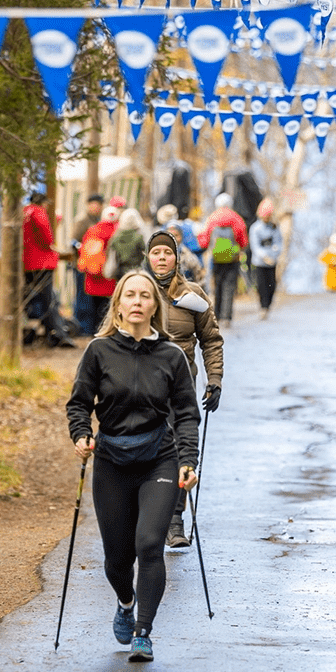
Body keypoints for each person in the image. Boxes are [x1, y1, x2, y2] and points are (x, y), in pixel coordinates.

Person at [67, 270, 200, 662]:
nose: (138, 301)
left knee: (149, 545)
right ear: (119, 305)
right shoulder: (99, 351)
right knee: (117, 558)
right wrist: (80, 434)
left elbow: (187, 414)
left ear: (154, 305)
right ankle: (126, 601)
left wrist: (188, 459)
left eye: (145, 295)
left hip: (159, 457)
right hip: (110, 460)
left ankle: (143, 631)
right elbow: (79, 403)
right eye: (130, 295)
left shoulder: (171, 356)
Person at [145, 229, 224, 549]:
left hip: (181, 388)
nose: (162, 258)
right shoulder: (136, 292)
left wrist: (215, 380)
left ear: (177, 258)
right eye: (156, 253)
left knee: (181, 452)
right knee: (145, 451)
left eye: (167, 253)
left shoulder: (193, 295)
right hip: (140, 389)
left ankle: (175, 520)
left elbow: (211, 340)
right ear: (147, 258)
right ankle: (148, 517)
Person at [22, 191, 77, 348]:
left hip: (28, 262)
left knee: (34, 298)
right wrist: (51, 246)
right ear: (43, 202)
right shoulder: (38, 212)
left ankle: (41, 331)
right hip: (42, 262)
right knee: (49, 299)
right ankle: (58, 333)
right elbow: (46, 236)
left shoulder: (24, 212)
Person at [197, 192, 248, 325]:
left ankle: (217, 315)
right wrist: (240, 248)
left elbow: (204, 239)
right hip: (233, 258)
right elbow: (242, 239)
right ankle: (227, 317)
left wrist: (204, 246)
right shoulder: (236, 218)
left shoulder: (212, 218)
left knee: (218, 285)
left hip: (216, 258)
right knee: (229, 286)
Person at [76, 204, 120, 330]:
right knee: (108, 305)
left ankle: (92, 330)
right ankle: (106, 329)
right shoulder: (117, 231)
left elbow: (83, 249)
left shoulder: (93, 230)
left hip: (93, 273)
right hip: (109, 274)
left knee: (93, 304)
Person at [71, 193, 104, 335]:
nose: (96, 207)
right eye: (93, 204)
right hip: (83, 266)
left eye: (98, 204)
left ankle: (90, 327)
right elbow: (73, 241)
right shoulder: (82, 220)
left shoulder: (99, 220)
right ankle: (82, 328)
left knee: (92, 298)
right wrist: (85, 251)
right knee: (82, 297)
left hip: (94, 267)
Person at [248, 198, 283, 320]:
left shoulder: (274, 228)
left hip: (272, 262)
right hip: (259, 262)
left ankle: (268, 305)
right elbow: (255, 246)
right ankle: (263, 307)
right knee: (261, 286)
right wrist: (265, 257)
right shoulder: (255, 228)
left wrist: (274, 255)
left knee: (272, 285)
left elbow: (279, 243)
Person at [108, 206, 149, 277]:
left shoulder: (117, 237)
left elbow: (113, 257)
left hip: (121, 272)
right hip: (137, 272)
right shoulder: (139, 237)